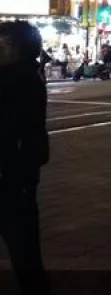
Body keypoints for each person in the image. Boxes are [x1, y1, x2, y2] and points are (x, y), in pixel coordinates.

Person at [0, 21, 51, 295]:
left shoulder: (15, 79)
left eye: (2, 45)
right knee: (27, 254)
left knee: (24, 254)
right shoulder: (28, 75)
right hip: (18, 178)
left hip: (10, 177)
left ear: (15, 48)